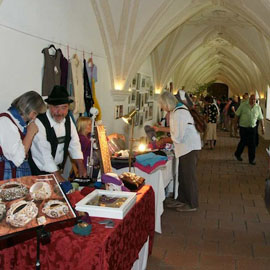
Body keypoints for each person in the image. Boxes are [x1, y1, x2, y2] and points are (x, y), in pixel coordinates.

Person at [153, 90, 201, 212]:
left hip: (189, 148)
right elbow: (175, 128)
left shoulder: (179, 113)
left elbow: (177, 137)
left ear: (167, 103)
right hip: (185, 148)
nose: (161, 107)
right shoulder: (176, 111)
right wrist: (160, 129)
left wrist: (163, 140)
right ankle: (182, 200)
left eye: (161, 104)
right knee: (183, 176)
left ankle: (191, 204)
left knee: (189, 177)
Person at [29, 85, 86, 182]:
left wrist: (80, 165)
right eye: (55, 107)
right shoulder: (39, 122)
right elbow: (44, 156)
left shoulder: (68, 120)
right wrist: (59, 178)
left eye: (64, 107)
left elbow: (74, 143)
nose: (59, 112)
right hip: (39, 174)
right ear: (49, 106)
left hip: (57, 170)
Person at [0, 91, 46, 180]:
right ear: (31, 111)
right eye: (35, 113)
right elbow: (17, 159)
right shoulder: (5, 122)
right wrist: (30, 133)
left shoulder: (18, 123)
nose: (34, 118)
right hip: (5, 177)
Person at [234, 94, 264, 165]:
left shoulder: (258, 107)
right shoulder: (243, 105)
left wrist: (263, 127)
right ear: (249, 99)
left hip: (252, 128)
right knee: (243, 142)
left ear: (256, 100)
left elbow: (261, 118)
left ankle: (251, 159)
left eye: (254, 99)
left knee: (252, 144)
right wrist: (235, 125)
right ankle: (237, 154)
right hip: (243, 127)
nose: (253, 100)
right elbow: (237, 115)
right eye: (252, 99)